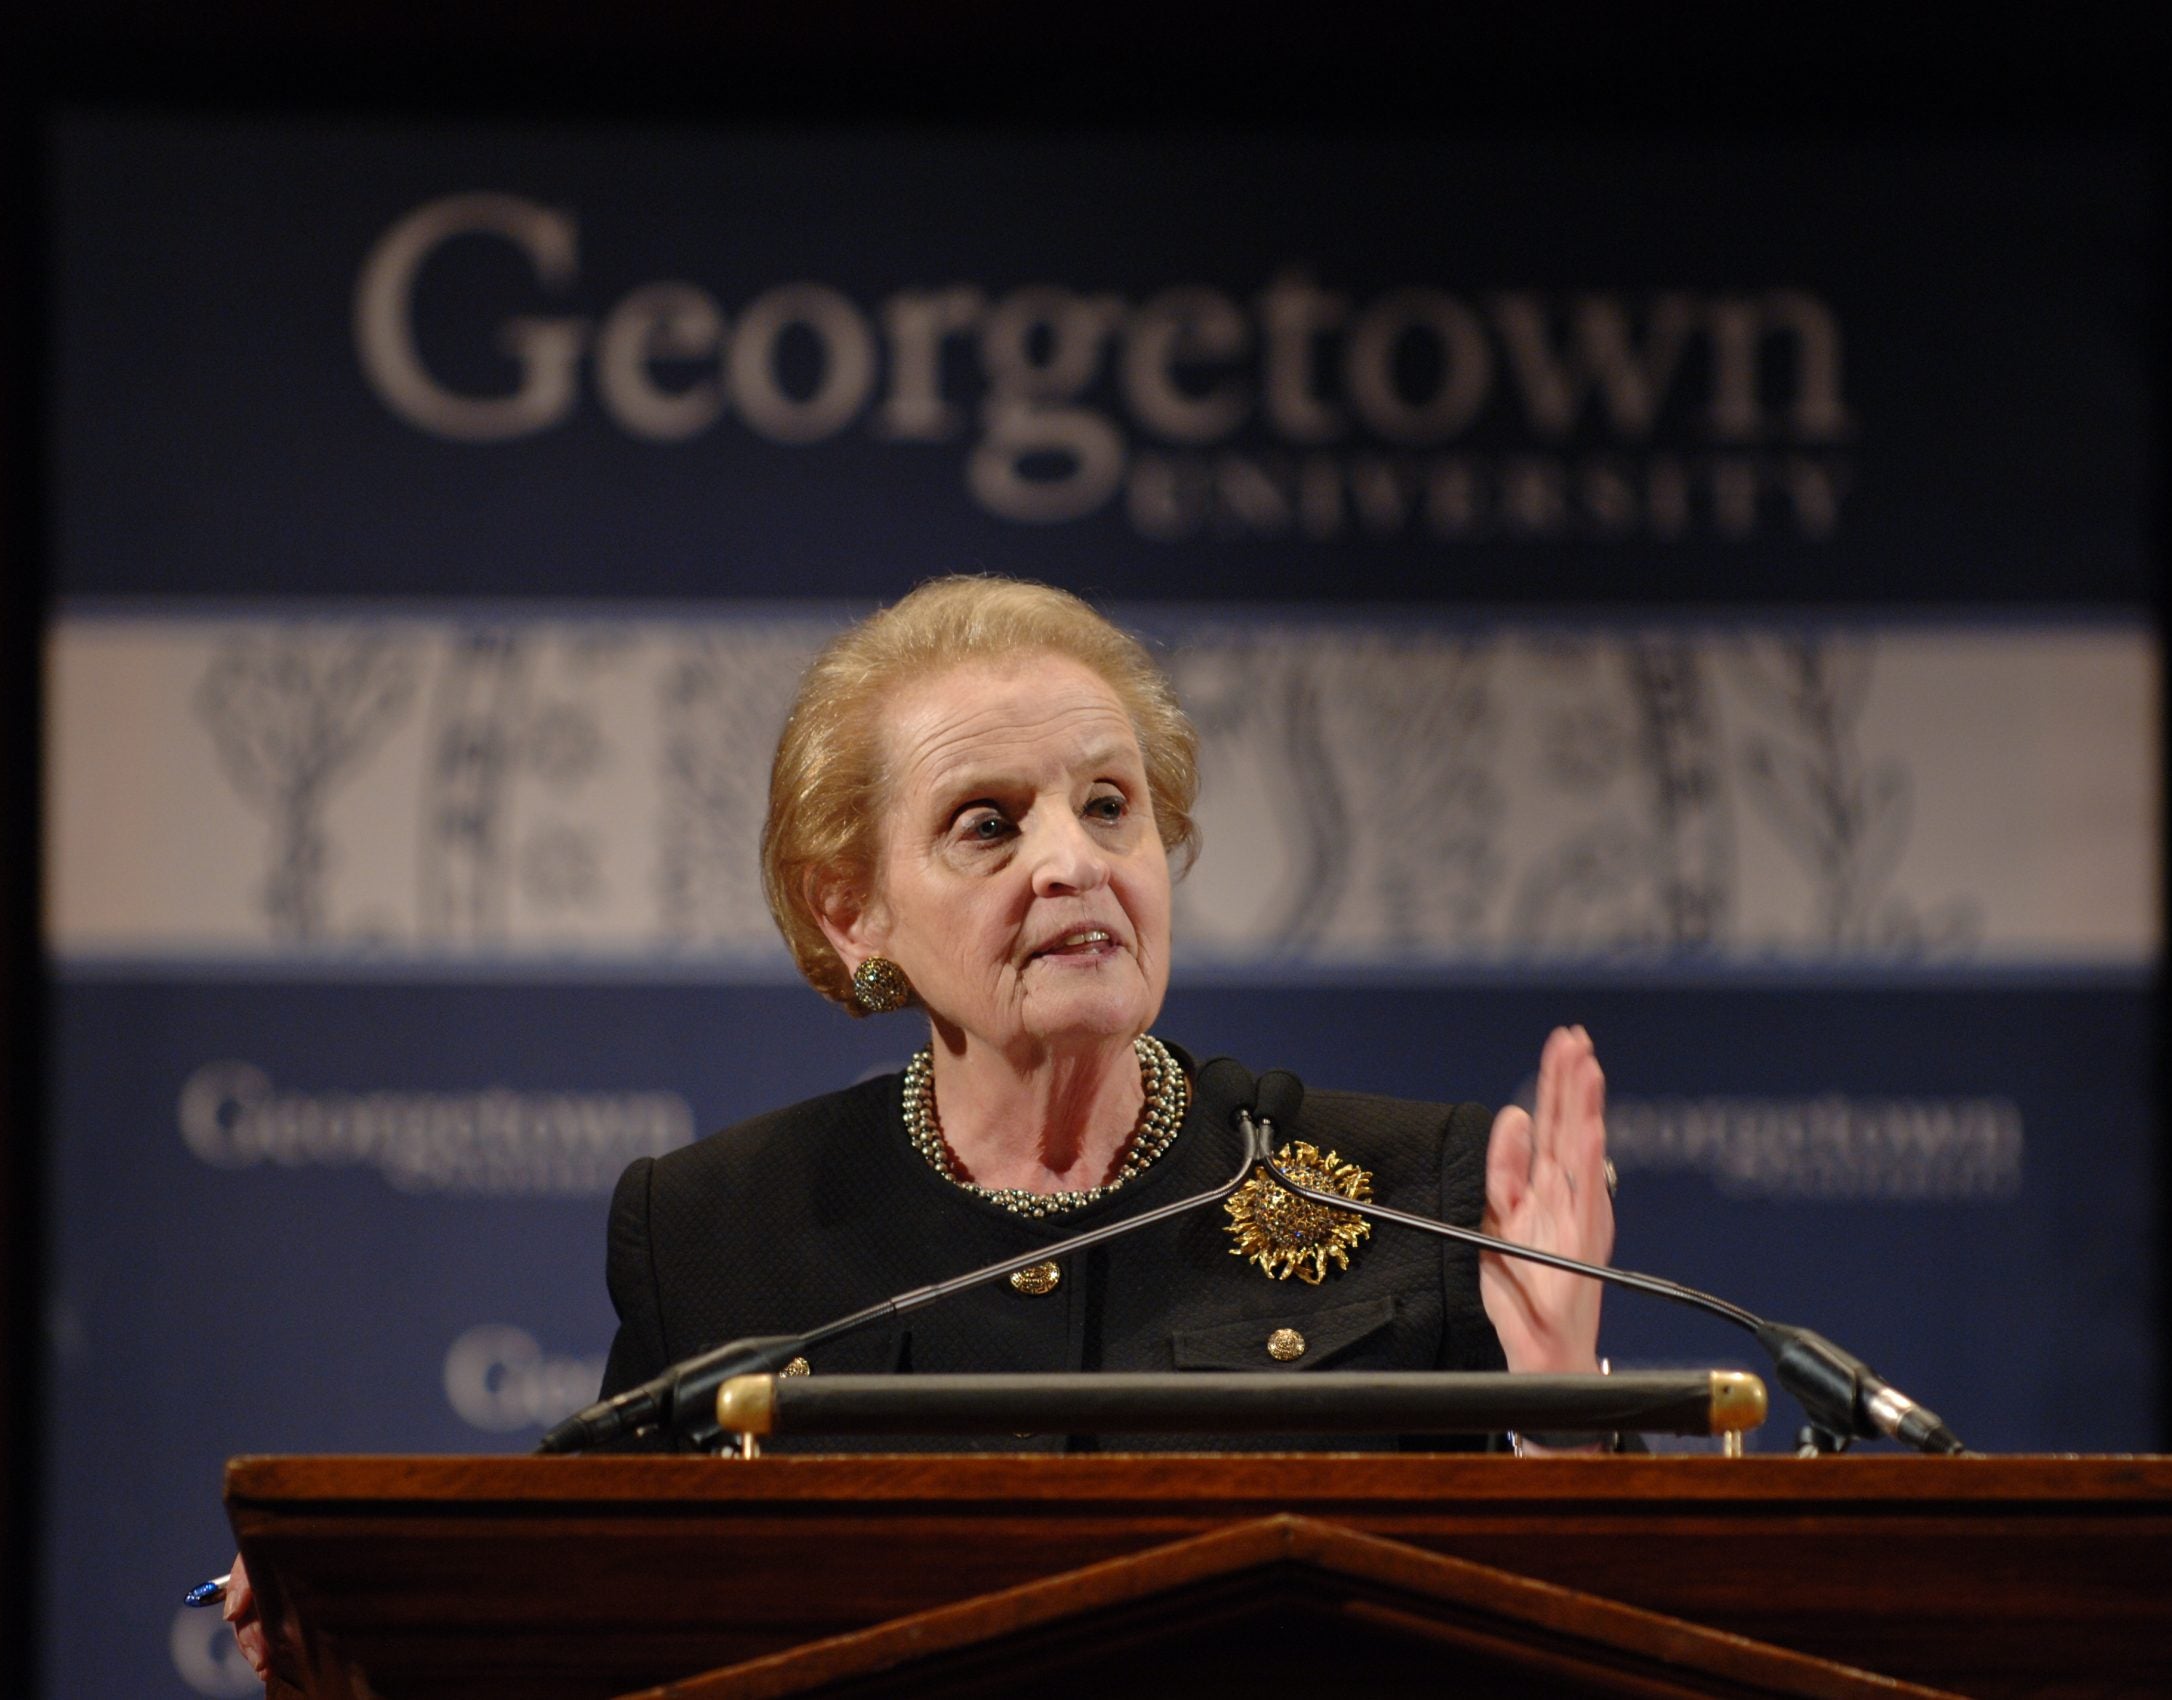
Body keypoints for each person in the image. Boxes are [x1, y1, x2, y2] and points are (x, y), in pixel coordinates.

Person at [224, 575, 1617, 1677]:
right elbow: (598, 1617)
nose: (1072, 859)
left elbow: (1558, 1645)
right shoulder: (715, 1231)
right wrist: (364, 1607)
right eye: (987, 823)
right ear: (853, 912)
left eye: (1110, 806)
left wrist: (1564, 1428)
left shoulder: (1402, 1189)